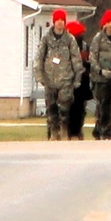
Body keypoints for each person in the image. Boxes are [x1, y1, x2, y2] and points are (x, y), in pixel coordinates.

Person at [33, 8, 84, 141]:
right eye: (58, 20)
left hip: (65, 79)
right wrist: (39, 75)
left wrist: (77, 78)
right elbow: (39, 58)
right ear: (54, 22)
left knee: (64, 107)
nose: (60, 23)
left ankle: (64, 130)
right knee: (51, 107)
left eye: (62, 20)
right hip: (49, 79)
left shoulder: (70, 40)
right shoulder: (46, 39)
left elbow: (76, 59)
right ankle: (54, 131)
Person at [89, 9, 111, 140]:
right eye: (108, 22)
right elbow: (92, 57)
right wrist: (100, 70)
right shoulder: (98, 38)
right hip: (101, 78)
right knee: (103, 105)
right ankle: (102, 129)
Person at [65, 20, 93, 140]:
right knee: (66, 107)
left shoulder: (86, 47)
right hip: (67, 80)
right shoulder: (64, 47)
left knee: (79, 108)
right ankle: (67, 131)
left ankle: (76, 131)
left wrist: (85, 65)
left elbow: (91, 62)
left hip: (82, 81)